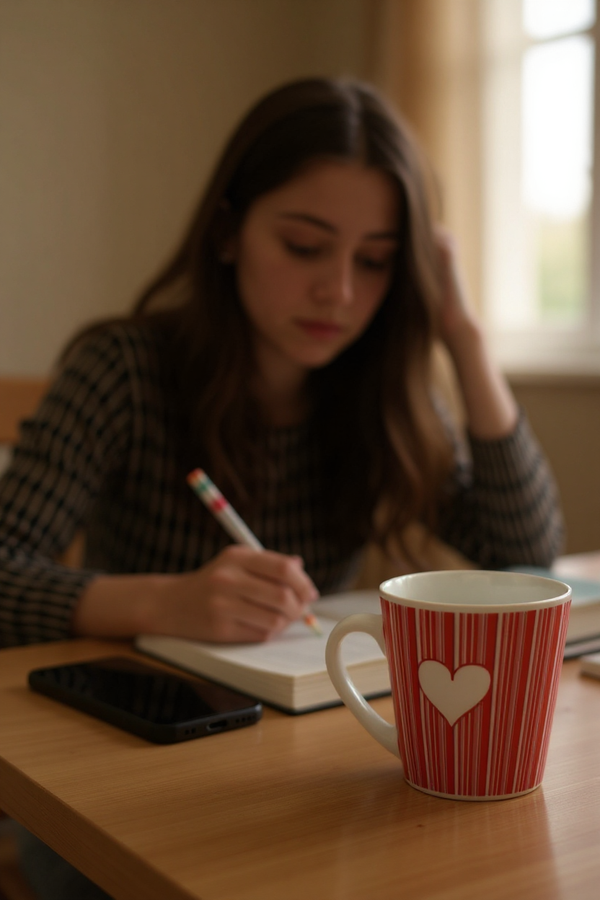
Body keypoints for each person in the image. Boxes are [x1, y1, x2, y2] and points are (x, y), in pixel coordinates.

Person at [0, 77, 563, 652]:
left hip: (307, 714)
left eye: (374, 260)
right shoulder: (123, 370)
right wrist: (163, 603)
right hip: (145, 711)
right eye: (303, 246)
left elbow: (525, 556)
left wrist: (464, 338)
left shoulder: (377, 390)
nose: (340, 291)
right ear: (227, 233)